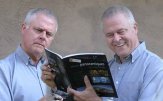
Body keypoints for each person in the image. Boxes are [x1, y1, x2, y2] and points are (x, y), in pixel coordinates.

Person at [42, 5, 163, 101]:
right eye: (110, 34)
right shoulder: (107, 67)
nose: (116, 39)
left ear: (135, 28)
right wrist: (56, 84)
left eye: (121, 31)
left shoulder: (155, 67)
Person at [0, 8, 58, 101]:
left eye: (48, 34)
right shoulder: (3, 70)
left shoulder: (55, 71)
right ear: (23, 28)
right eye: (39, 30)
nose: (43, 37)